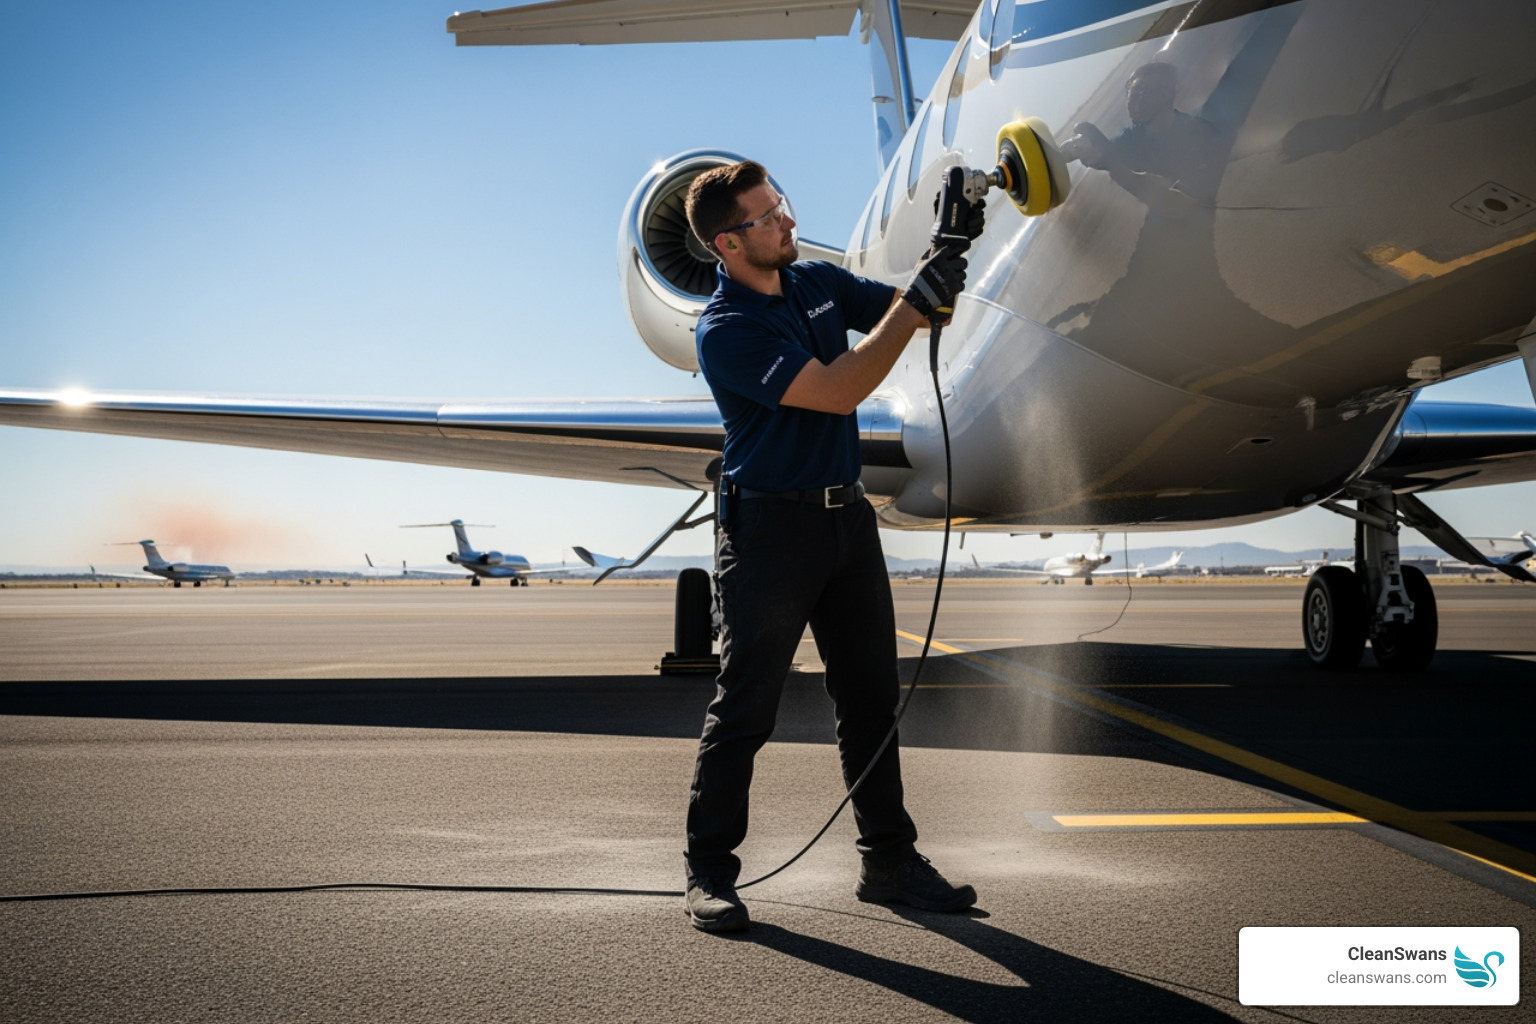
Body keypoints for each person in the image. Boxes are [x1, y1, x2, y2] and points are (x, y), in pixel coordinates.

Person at [679, 160, 981, 933]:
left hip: (847, 521)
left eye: (783, 206)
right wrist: (913, 306)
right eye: (767, 217)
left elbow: (915, 316)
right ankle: (709, 872)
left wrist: (942, 264)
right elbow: (842, 387)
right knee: (746, 707)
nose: (787, 222)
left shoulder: (815, 282)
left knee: (870, 700)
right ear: (727, 243)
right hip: (771, 530)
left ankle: (889, 862)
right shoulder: (727, 333)